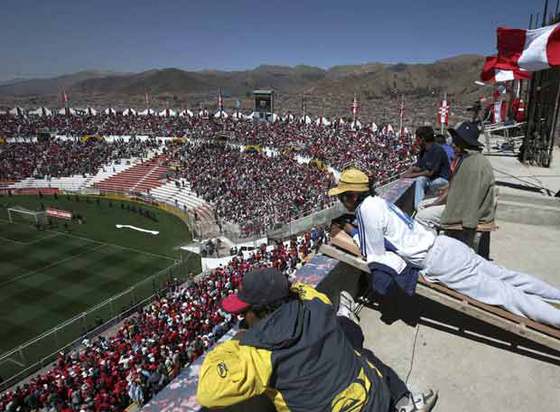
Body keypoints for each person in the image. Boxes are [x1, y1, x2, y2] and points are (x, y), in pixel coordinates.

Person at [328, 168, 560, 327]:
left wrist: (352, 233)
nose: (341, 201)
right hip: (444, 245)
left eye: (342, 196)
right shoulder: (378, 202)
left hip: (439, 262)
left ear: (352, 195)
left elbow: (374, 254)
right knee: (508, 278)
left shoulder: (365, 211)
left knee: (508, 296)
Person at [197, 268, 438, 412]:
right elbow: (300, 288)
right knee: (359, 350)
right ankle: (404, 400)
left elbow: (207, 393)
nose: (242, 318)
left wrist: (236, 342)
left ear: (258, 312)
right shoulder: (316, 301)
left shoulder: (256, 354)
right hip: (378, 402)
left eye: (243, 313)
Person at [415, 122, 495, 244]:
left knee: (421, 217)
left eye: (456, 140)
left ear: (463, 142)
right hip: (462, 204)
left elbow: (462, 196)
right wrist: (436, 201)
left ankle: (431, 248)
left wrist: (435, 204)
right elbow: (454, 189)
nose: (452, 144)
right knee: (421, 205)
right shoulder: (469, 159)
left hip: (464, 211)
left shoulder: (472, 164)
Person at [402, 126, 450, 210]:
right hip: (431, 180)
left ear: (422, 139)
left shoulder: (437, 150)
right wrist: (410, 170)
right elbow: (419, 167)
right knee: (421, 180)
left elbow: (430, 172)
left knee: (422, 180)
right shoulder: (424, 150)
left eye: (417, 139)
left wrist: (409, 175)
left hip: (442, 180)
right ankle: (419, 207)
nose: (416, 141)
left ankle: (421, 208)